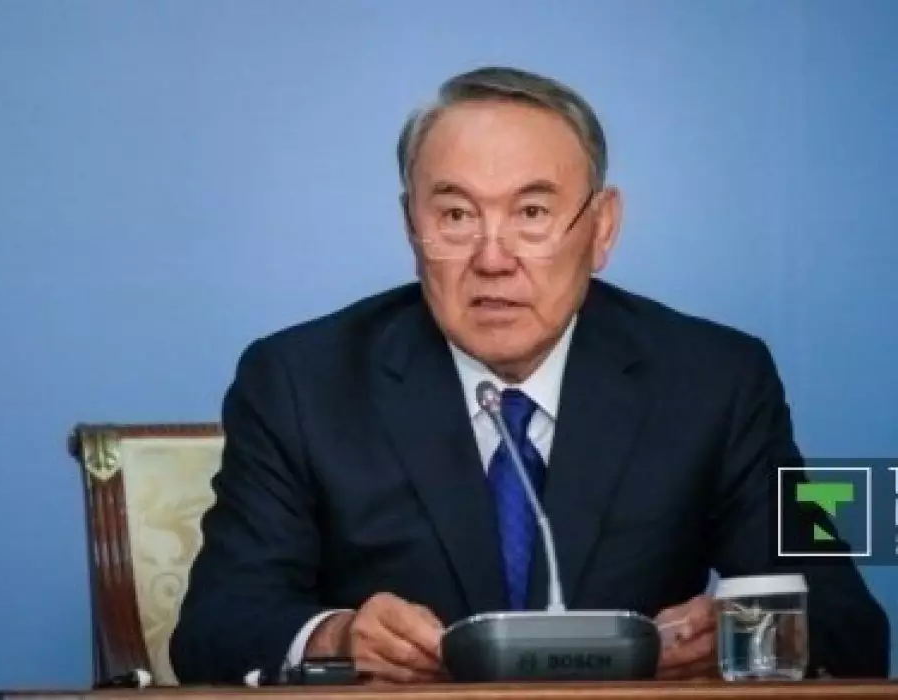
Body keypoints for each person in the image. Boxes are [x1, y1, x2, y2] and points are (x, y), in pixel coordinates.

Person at [169, 66, 889, 684]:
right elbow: (215, 627)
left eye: (533, 213)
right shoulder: (298, 382)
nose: (493, 258)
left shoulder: (720, 379)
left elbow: (849, 621)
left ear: (602, 228)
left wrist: (737, 631)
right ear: (411, 225)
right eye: (456, 215)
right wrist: (335, 637)